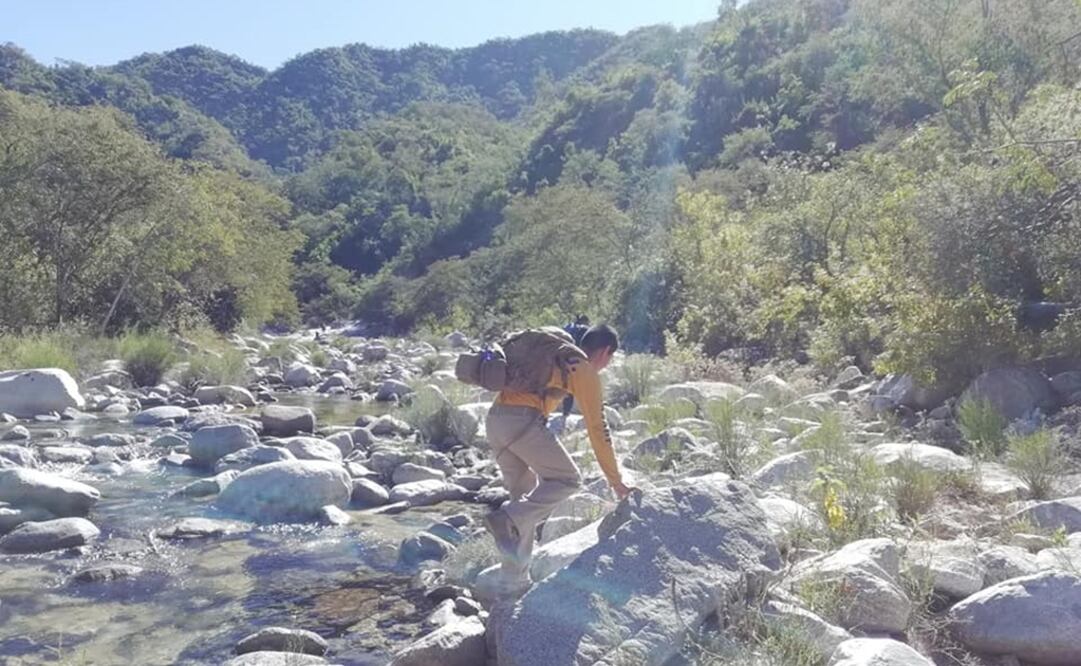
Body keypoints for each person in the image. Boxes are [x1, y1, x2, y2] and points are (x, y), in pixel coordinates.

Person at [483, 323, 632, 589]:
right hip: (521, 424)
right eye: (609, 359)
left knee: (524, 503)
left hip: (495, 422)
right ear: (606, 352)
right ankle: (507, 518)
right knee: (568, 480)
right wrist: (615, 480)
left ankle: (513, 582)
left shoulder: (556, 358)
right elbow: (598, 427)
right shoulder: (582, 368)